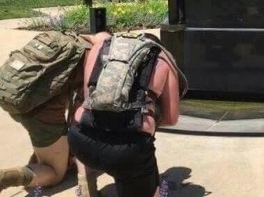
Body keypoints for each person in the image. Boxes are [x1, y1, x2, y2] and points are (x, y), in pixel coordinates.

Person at [68, 32, 181, 197]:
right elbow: (171, 119)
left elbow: (88, 98)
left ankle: (86, 188)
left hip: (81, 141)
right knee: (133, 165)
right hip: (127, 152)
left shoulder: (101, 47)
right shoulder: (163, 57)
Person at [0, 34, 89, 193]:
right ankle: (6, 178)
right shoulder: (97, 63)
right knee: (54, 173)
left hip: (9, 88)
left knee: (49, 144)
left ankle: (45, 156)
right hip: (37, 106)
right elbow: (80, 115)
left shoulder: (74, 41)